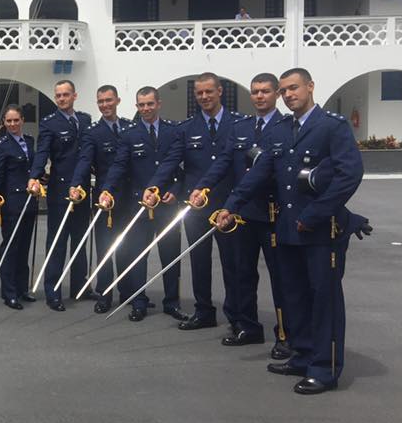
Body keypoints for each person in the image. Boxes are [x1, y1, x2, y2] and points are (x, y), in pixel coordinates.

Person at [215, 68, 364, 394]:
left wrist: (314, 214)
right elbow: (259, 174)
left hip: (321, 231)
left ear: (310, 86)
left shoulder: (331, 127)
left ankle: (324, 368)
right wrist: (231, 206)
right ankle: (303, 354)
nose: (288, 94)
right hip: (286, 229)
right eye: (284, 90)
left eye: (293, 88)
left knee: (323, 300)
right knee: (294, 297)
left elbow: (348, 176)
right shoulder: (280, 132)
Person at [193, 73, 290, 354]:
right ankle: (247, 326)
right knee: (241, 274)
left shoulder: (287, 127)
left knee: (281, 278)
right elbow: (223, 162)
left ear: (276, 94)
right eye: (255, 92)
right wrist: (203, 188)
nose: (260, 96)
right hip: (243, 215)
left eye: (265, 91)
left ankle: (285, 333)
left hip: (274, 214)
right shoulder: (241, 128)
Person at [152, 72, 241, 331]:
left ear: (219, 91)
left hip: (228, 206)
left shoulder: (237, 125)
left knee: (232, 263)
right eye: (199, 93)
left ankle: (236, 314)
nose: (204, 97)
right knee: (199, 262)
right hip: (196, 207)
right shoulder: (186, 128)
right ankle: (204, 312)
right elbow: (171, 161)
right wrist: (154, 186)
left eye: (208, 92)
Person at [98, 87, 184, 322]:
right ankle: (138, 302)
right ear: (136, 106)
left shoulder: (173, 132)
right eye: (141, 105)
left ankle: (172, 303)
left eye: (149, 104)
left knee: (170, 256)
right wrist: (107, 189)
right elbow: (119, 166)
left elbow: (178, 167)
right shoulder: (130, 134)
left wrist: (175, 192)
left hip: (166, 205)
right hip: (139, 207)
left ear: (158, 104)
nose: (145, 109)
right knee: (138, 257)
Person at [27, 79, 92, 310]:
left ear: (74, 96)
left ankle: (79, 286)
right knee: (57, 243)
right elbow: (42, 152)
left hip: (83, 190)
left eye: (66, 95)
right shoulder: (49, 124)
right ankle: (52, 290)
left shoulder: (84, 120)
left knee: (80, 240)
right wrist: (34, 177)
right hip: (60, 191)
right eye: (58, 96)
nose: (62, 99)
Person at [69, 85, 134, 313]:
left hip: (129, 198)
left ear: (117, 100)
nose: (105, 105)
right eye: (100, 101)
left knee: (128, 246)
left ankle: (128, 291)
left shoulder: (128, 127)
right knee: (105, 247)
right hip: (104, 200)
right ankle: (105, 293)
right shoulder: (93, 132)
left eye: (108, 100)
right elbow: (85, 161)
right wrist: (76, 184)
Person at [0, 105, 37, 309]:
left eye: (16, 120)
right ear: (4, 123)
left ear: (22, 120)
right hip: (12, 203)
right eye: (9, 121)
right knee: (10, 247)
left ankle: (22, 288)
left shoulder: (30, 141)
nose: (13, 124)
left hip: (29, 201)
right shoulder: (1, 145)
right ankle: (9, 292)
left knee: (24, 247)